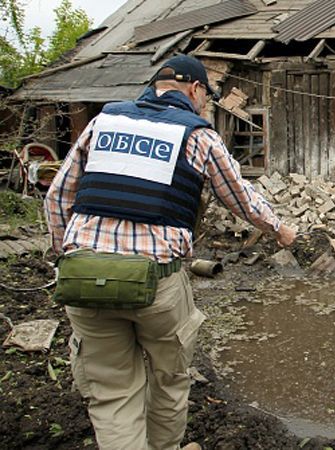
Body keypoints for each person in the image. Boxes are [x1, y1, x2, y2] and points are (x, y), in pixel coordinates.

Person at [44, 54, 296, 450]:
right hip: (156, 281)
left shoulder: (103, 122)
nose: (205, 104)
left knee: (112, 392)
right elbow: (239, 196)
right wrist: (279, 228)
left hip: (84, 278)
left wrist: (67, 255)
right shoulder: (197, 134)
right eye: (206, 97)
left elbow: (58, 197)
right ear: (195, 90)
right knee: (169, 378)